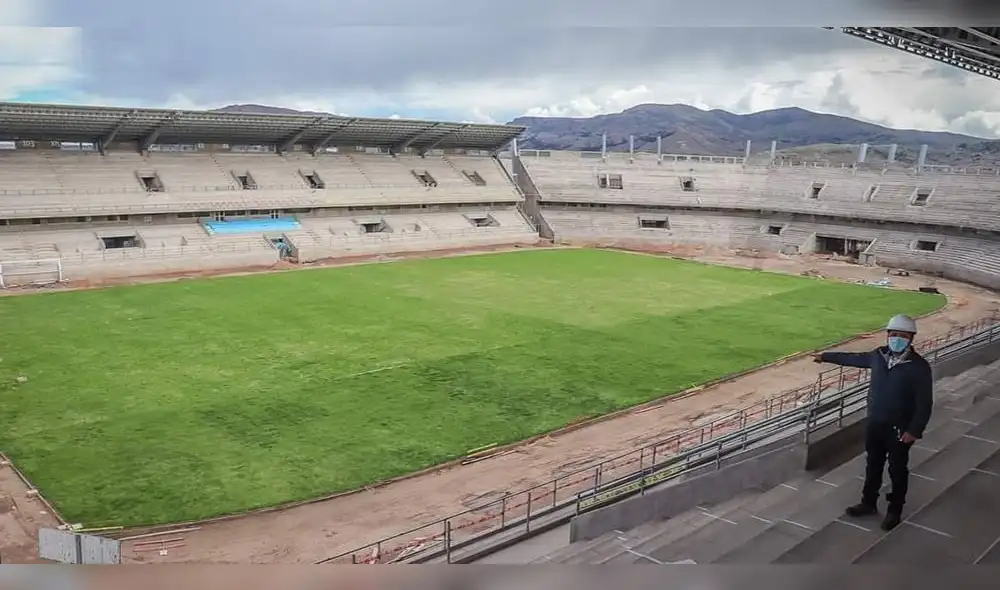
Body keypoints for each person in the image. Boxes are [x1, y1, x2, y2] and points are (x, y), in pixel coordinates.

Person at [812, 314, 933, 531]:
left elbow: (925, 403)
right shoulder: (878, 355)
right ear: (887, 335)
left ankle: (895, 510)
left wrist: (914, 430)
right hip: (876, 423)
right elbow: (854, 359)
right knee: (873, 465)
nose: (897, 339)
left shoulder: (919, 367)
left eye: (902, 336)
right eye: (893, 334)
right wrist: (826, 356)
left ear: (911, 338)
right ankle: (868, 503)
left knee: (897, 469)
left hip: (900, 429)